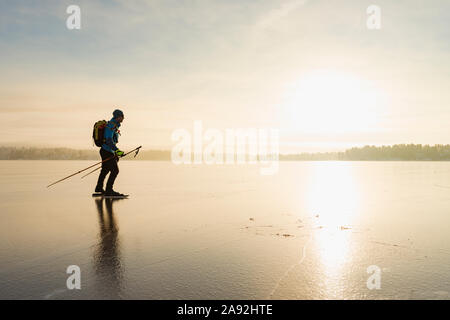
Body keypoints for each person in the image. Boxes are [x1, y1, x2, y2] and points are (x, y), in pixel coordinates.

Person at [95, 109, 125, 196]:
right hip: (106, 151)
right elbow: (109, 140)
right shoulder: (111, 126)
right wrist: (117, 151)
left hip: (107, 151)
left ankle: (99, 188)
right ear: (118, 117)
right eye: (122, 116)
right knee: (115, 171)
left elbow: (112, 141)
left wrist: (115, 153)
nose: (123, 118)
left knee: (105, 170)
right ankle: (109, 190)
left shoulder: (114, 125)